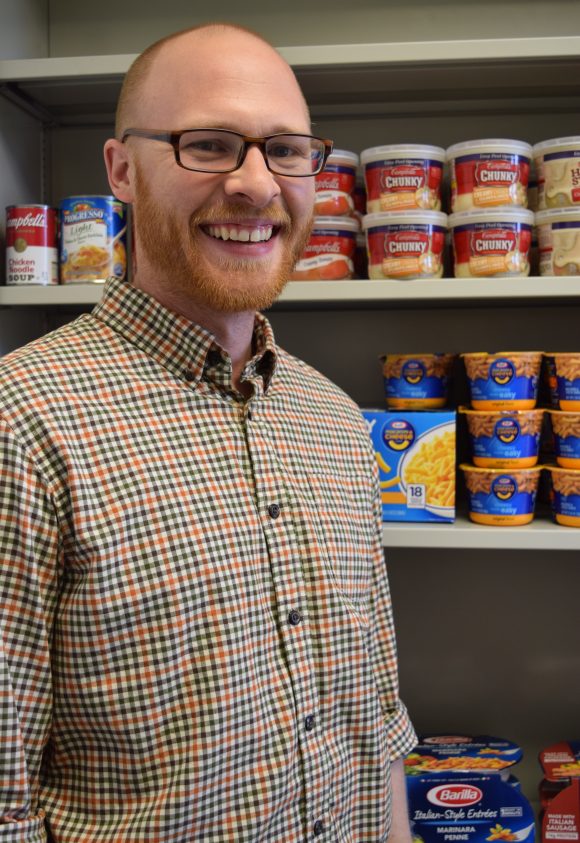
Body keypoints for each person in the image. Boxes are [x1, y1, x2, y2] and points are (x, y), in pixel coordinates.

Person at [0, 22, 416, 842]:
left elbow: (377, 722)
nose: (258, 186)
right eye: (211, 144)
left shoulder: (333, 421)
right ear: (121, 169)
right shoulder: (22, 423)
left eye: (287, 150)